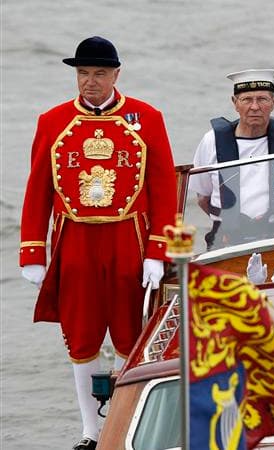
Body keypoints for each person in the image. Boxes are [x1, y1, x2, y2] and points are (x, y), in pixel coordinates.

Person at [18, 36, 177, 450]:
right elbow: (38, 190)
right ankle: (91, 430)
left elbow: (162, 189)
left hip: (130, 238)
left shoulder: (148, 118)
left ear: (116, 75)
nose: (90, 81)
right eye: (83, 73)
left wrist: (157, 252)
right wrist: (34, 252)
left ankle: (126, 424)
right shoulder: (51, 121)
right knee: (81, 335)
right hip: (74, 240)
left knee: (130, 335)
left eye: (99, 73)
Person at [188, 69, 274, 249]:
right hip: (226, 239)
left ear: (273, 102)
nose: (255, 107)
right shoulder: (212, 141)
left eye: (262, 99)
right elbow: (203, 197)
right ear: (235, 103)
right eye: (247, 99)